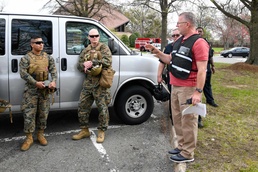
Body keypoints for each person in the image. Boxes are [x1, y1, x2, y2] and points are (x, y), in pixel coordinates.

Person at [145, 12, 209, 163]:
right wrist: (155, 51)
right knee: (177, 119)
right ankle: (181, 146)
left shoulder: (199, 43)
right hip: (175, 86)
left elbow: (202, 70)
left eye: (179, 23)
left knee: (188, 120)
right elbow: (169, 59)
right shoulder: (179, 41)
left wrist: (198, 92)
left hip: (188, 88)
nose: (177, 26)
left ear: (187, 24)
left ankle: (188, 153)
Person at [72, 28, 112, 143]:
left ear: (99, 37)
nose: (94, 38)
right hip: (88, 83)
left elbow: (108, 61)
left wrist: (93, 62)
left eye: (96, 36)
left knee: (102, 108)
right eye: (92, 36)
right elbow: (79, 66)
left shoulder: (104, 48)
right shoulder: (86, 50)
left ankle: (101, 131)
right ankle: (84, 130)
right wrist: (83, 64)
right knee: (82, 106)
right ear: (88, 37)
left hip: (100, 83)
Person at [19, 35, 57, 151]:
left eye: (42, 42)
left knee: (43, 113)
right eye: (38, 42)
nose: (41, 44)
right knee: (29, 114)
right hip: (31, 91)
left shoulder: (48, 57)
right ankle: (29, 138)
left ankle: (40, 134)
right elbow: (23, 73)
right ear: (32, 44)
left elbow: (53, 70)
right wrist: (35, 83)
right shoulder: (26, 58)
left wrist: (53, 81)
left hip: (44, 90)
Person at [157, 28, 180, 124]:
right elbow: (162, 63)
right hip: (171, 76)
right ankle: (173, 118)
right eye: (173, 35)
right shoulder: (169, 47)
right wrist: (159, 75)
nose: (175, 37)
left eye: (177, 35)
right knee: (173, 98)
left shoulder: (188, 46)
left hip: (185, 78)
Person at [196, 26, 218, 128]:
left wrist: (213, 66)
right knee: (198, 94)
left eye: (201, 31)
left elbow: (210, 56)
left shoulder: (207, 43)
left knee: (207, 86)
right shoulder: (194, 42)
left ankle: (210, 100)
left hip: (207, 69)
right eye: (198, 31)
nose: (199, 33)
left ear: (203, 33)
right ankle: (198, 118)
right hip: (197, 72)